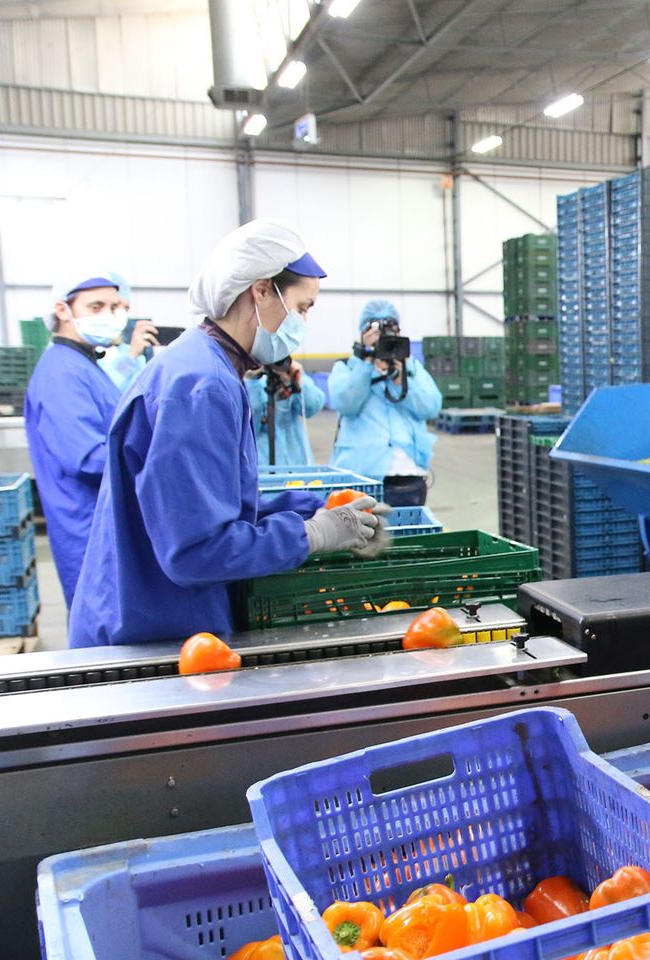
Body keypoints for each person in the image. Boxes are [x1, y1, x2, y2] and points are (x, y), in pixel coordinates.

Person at [69, 219, 386, 648]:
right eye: (303, 307)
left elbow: (211, 504)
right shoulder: (202, 387)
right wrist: (312, 534)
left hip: (153, 616)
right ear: (260, 290)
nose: (303, 322)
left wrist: (315, 507)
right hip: (151, 633)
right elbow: (196, 550)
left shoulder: (205, 365)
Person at [24, 273, 149, 608]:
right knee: (102, 627)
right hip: (89, 529)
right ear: (63, 310)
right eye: (96, 306)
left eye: (115, 306)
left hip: (105, 523)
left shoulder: (85, 365)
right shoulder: (62, 373)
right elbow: (87, 459)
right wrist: (156, 466)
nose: (109, 315)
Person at [328, 299, 442, 506]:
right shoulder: (347, 368)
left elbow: (431, 407)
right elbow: (346, 404)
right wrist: (367, 363)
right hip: (359, 474)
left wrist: (401, 379)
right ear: (362, 334)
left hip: (407, 476)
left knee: (408, 537)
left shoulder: (411, 369)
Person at [246, 357, 326, 466]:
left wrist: (296, 381)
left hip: (298, 465)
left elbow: (313, 406)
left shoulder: (288, 372)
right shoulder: (248, 380)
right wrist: (252, 381)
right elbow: (250, 425)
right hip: (264, 468)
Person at [99, 272, 160, 393]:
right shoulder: (75, 354)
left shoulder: (131, 353)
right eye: (115, 306)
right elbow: (103, 394)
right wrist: (131, 356)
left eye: (125, 308)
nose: (121, 314)